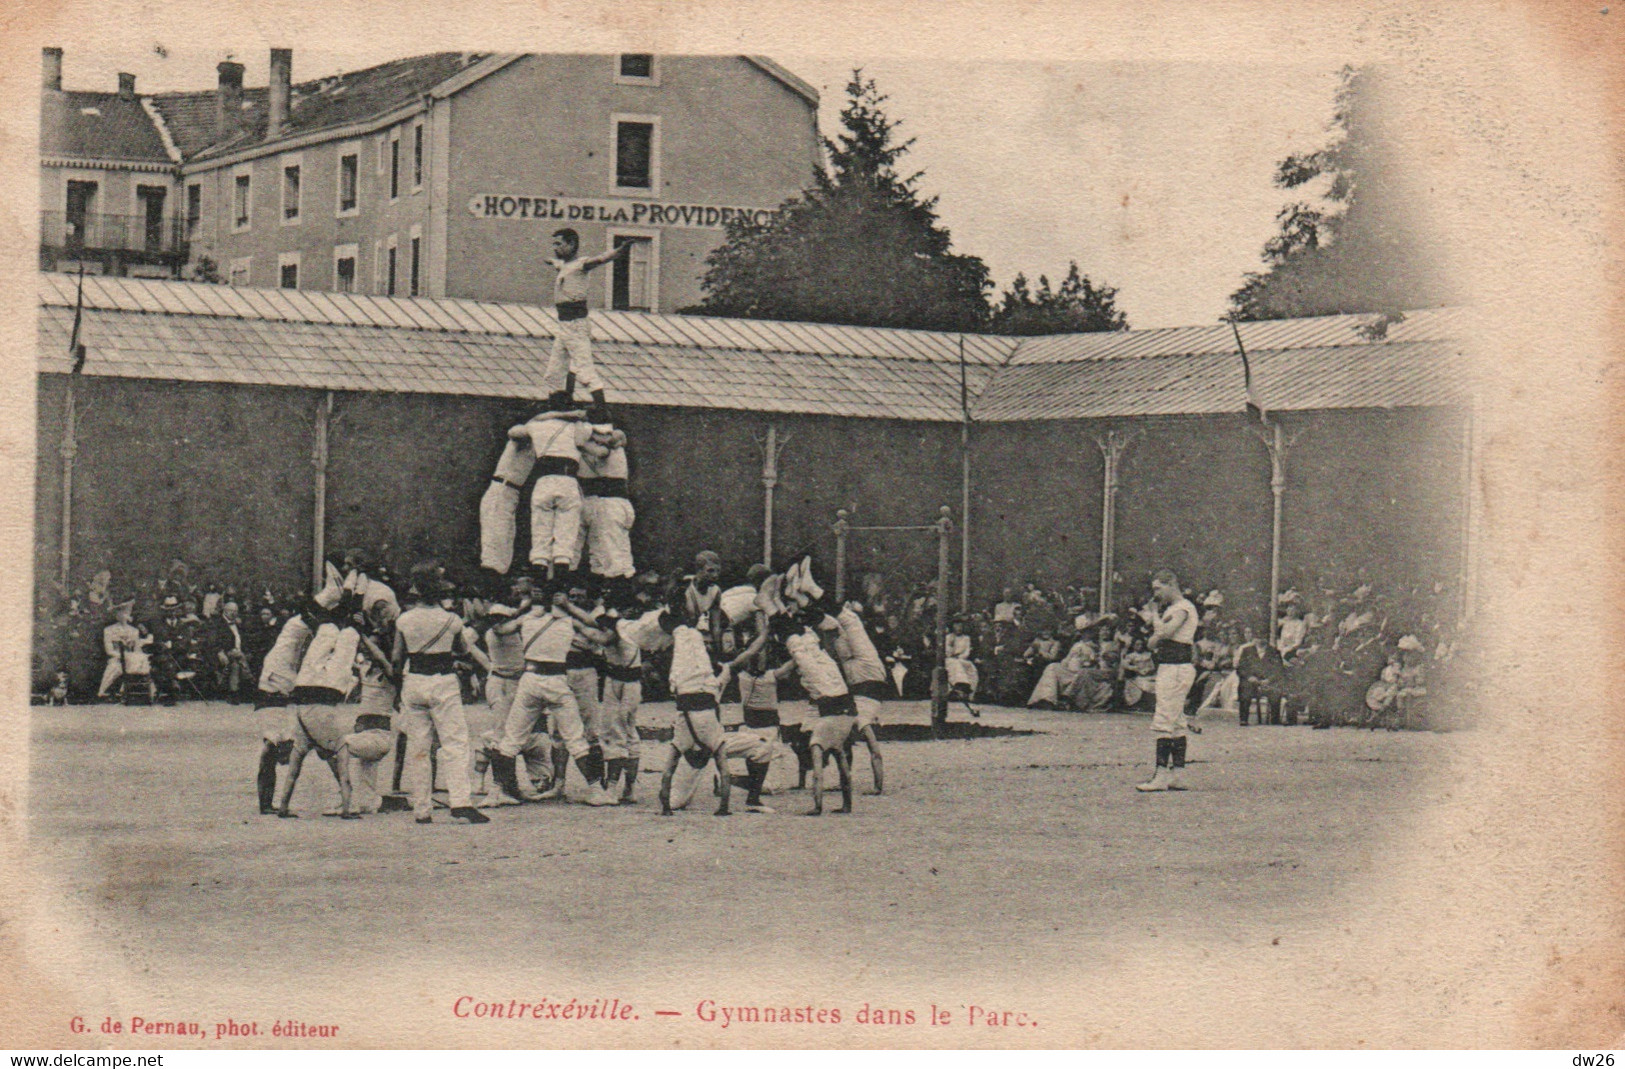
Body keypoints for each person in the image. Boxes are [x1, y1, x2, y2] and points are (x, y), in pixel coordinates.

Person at [487, 578, 615, 807]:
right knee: (576, 739)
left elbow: (499, 629)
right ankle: (596, 790)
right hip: (557, 680)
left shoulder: (526, 619)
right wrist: (570, 607)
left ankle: (497, 791)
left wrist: (523, 607)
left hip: (530, 680)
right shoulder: (569, 622)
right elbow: (603, 635)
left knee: (510, 739)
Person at [390, 564, 491, 824]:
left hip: (414, 681)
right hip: (443, 681)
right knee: (455, 742)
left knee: (419, 748)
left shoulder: (404, 619)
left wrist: (398, 690)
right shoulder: (452, 619)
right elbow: (462, 650)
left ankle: (422, 808)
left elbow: (396, 659)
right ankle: (460, 802)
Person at [657, 604, 742, 817]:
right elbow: (667, 775)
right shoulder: (685, 741)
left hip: (704, 684)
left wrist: (724, 807)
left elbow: (724, 775)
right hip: (685, 687)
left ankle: (686, 618)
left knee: (694, 642)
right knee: (683, 641)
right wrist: (665, 807)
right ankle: (677, 617)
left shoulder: (711, 741)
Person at [541, 228, 630, 405]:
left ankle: (602, 412)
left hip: (575, 324)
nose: (555, 248)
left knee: (585, 371)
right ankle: (558, 408)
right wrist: (552, 261)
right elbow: (558, 264)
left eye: (558, 244)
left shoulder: (581, 264)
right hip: (564, 326)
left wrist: (618, 251)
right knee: (553, 373)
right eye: (554, 244)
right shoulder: (564, 265)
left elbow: (600, 260)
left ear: (571, 244)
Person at [780, 613, 858, 816]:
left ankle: (795, 625)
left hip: (838, 700)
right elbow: (843, 775)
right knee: (807, 657)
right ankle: (799, 626)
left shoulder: (819, 740)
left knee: (814, 658)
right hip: (843, 706)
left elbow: (818, 776)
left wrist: (817, 808)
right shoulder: (832, 740)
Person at [512, 395, 594, 580]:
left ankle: (540, 592)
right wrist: (575, 417)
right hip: (567, 481)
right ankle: (559, 590)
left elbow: (514, 432)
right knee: (565, 542)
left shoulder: (538, 425)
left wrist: (549, 416)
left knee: (540, 539)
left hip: (544, 481)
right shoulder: (579, 427)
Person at [1136, 570, 1199, 792]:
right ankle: (1178, 775)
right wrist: (1158, 632)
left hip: (1176, 668)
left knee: (1164, 718)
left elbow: (1164, 633)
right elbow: (1153, 641)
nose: (1155, 593)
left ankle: (1161, 775)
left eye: (1158, 588)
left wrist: (1154, 618)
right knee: (1177, 720)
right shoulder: (1172, 609)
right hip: (1169, 666)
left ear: (1171, 584)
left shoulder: (1184, 607)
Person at [577, 409, 635, 589]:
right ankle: (606, 602)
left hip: (611, 503)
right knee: (603, 557)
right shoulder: (597, 444)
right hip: (604, 503)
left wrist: (579, 441)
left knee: (613, 558)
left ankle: (619, 602)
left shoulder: (610, 443)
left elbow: (611, 441)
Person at [478, 433, 536, 576]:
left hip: (512, 493)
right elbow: (514, 432)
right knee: (496, 539)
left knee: (505, 540)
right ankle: (490, 582)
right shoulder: (527, 434)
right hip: (502, 489)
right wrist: (531, 431)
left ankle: (496, 579)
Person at [96, 600, 143, 700]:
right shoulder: (109, 630)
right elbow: (109, 650)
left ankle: (126, 691)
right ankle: (102, 691)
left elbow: (137, 649)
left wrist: (131, 657)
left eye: (125, 613)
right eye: (119, 613)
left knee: (137, 666)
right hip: (116, 657)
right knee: (115, 666)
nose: (122, 615)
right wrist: (120, 656)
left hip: (131, 658)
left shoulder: (134, 631)